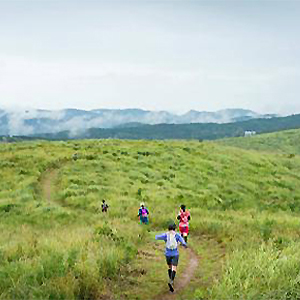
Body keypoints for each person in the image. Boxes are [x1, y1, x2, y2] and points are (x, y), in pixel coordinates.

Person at [155, 223, 187, 292]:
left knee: (170, 267)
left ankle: (170, 279)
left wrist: (154, 237)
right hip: (175, 253)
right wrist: (184, 244)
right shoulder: (177, 235)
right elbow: (182, 240)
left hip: (168, 254)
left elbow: (158, 237)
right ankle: (171, 281)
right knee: (174, 267)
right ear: (174, 229)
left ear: (168, 229)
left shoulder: (166, 235)